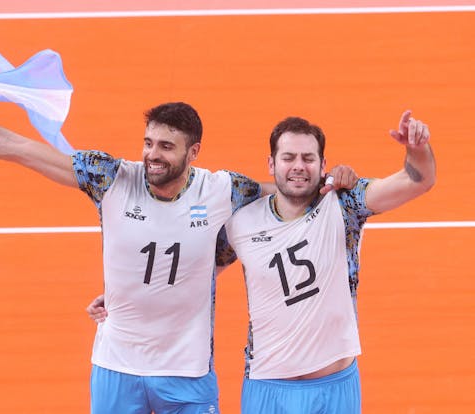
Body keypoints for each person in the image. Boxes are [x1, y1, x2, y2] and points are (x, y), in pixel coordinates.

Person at [0, 100, 356, 414]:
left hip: (186, 374)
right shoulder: (109, 178)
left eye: (166, 146)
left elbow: (291, 193)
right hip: (116, 367)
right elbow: (7, 146)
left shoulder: (224, 189)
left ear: (194, 152)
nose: (152, 155)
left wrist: (335, 181)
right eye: (148, 143)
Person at [86, 110, 435, 413]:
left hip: (335, 384)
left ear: (323, 165)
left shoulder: (344, 205)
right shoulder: (241, 222)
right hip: (267, 386)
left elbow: (416, 181)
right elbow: (195, 269)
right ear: (271, 164)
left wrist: (417, 150)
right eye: (288, 157)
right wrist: (128, 296)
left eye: (308, 158)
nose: (298, 166)